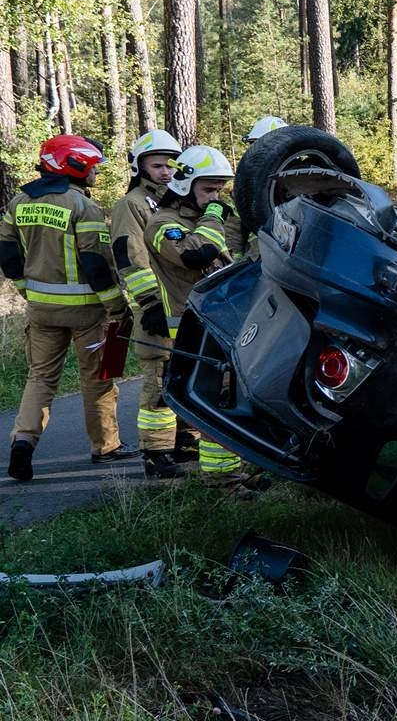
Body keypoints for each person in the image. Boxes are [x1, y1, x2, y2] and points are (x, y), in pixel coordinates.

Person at [2, 135, 127, 481]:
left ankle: (23, 441)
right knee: (98, 378)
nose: (96, 173)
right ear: (75, 164)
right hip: (86, 311)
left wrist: (27, 292)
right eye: (93, 166)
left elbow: (8, 257)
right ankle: (106, 446)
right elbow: (96, 264)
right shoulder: (82, 206)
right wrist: (117, 307)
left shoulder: (17, 203)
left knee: (40, 377)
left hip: (41, 310)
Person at [137, 147, 239, 480]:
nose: (215, 198)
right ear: (184, 185)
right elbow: (194, 255)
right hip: (184, 331)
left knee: (222, 398)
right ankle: (167, 458)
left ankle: (225, 475)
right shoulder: (163, 223)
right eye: (208, 189)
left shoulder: (204, 221)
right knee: (185, 397)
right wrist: (214, 216)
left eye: (219, 190)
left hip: (216, 326)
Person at [112, 130, 182, 457]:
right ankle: (156, 454)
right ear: (140, 167)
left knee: (186, 375)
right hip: (155, 306)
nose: (165, 172)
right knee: (159, 379)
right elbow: (130, 257)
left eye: (170, 165)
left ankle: (185, 442)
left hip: (184, 306)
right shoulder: (132, 204)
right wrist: (151, 303)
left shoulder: (179, 201)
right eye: (157, 166)